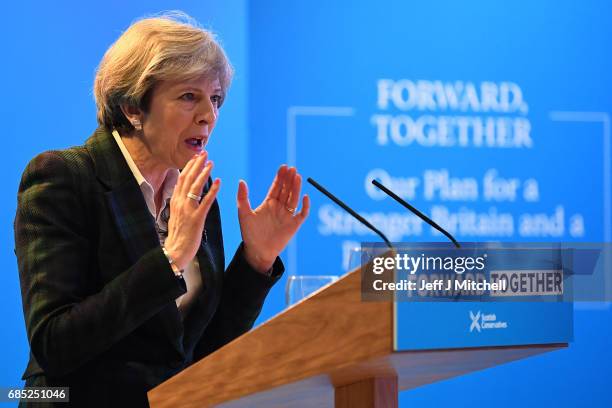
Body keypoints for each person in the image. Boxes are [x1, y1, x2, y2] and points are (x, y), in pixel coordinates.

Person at [14, 12, 309, 407]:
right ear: (133, 107)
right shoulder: (64, 178)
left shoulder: (193, 188)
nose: (209, 115)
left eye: (216, 98)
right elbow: (55, 343)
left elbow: (199, 348)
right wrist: (170, 259)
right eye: (190, 96)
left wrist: (256, 260)